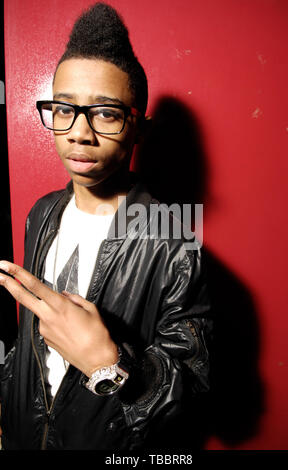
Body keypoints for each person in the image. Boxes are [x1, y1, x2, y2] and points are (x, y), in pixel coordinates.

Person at [0, 2, 212, 451]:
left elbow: (194, 390)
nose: (79, 133)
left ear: (139, 130)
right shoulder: (42, 213)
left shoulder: (173, 236)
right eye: (63, 109)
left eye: (106, 113)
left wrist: (108, 364)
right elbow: (30, 341)